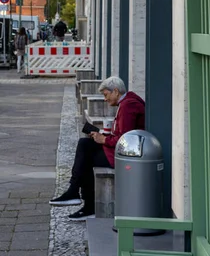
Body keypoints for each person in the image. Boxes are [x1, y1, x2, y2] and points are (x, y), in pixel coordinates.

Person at [49, 76, 145, 221]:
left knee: (85, 152)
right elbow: (123, 134)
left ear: (116, 91)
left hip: (125, 156)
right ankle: (78, 196)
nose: (105, 99)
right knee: (85, 145)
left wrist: (104, 139)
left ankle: (78, 196)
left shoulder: (127, 106)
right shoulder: (128, 102)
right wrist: (102, 135)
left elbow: (125, 140)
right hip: (123, 152)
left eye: (106, 95)